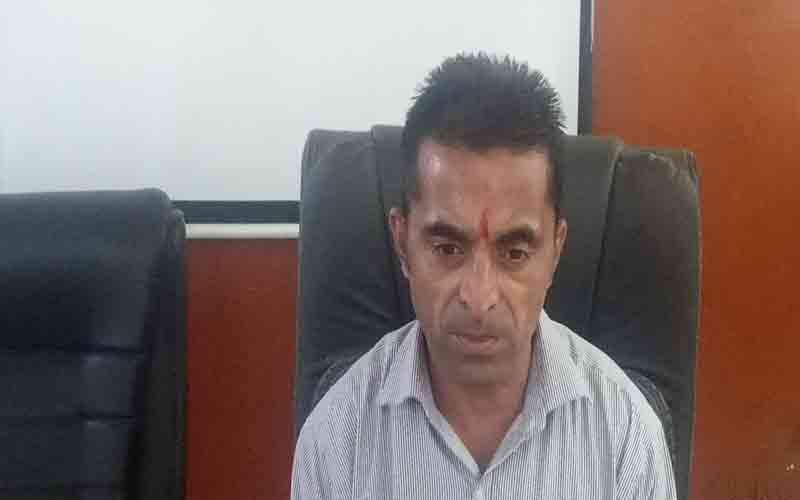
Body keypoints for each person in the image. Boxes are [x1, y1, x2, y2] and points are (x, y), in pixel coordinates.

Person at [291, 53, 676, 499]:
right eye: (447, 249)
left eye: (514, 253)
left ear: (556, 251)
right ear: (402, 242)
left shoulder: (626, 437)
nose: (478, 298)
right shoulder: (336, 442)